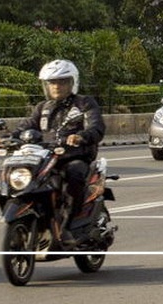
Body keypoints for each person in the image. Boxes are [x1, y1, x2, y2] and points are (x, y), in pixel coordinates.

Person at [7, 59, 104, 247]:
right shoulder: (43, 107)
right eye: (52, 82)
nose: (56, 86)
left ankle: (68, 226)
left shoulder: (84, 104)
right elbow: (25, 126)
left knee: (73, 174)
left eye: (62, 82)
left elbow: (96, 127)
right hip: (46, 158)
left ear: (71, 83)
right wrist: (7, 137)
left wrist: (81, 136)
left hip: (75, 156)